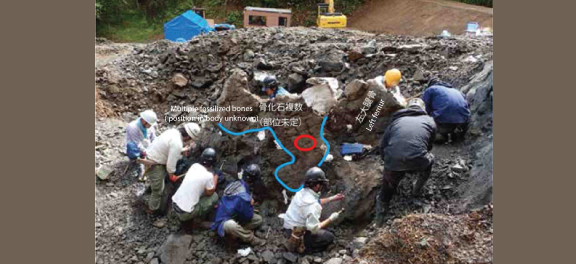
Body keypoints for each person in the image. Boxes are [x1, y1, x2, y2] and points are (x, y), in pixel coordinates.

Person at [376, 98, 436, 226]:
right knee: (430, 160)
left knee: (386, 189)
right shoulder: (430, 121)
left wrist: (387, 162)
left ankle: (379, 220)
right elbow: (429, 146)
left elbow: (382, 146)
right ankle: (416, 189)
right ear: (422, 109)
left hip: (393, 161)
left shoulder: (396, 121)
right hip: (418, 160)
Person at [283, 167, 345, 254]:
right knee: (329, 236)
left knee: (322, 226)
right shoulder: (313, 206)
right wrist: (331, 218)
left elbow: (315, 201)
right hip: (297, 234)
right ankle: (306, 249)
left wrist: (331, 198)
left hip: (289, 227)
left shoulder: (301, 191)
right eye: (322, 184)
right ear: (317, 185)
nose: (322, 187)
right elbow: (314, 229)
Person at [144, 122, 201, 214]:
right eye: (191, 140)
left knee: (157, 182)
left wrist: (183, 150)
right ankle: (152, 210)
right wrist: (171, 175)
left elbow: (170, 148)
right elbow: (171, 165)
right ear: (188, 137)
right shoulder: (177, 143)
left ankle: (151, 189)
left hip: (153, 155)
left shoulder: (173, 132)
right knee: (158, 190)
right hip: (154, 163)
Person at [211, 164, 266, 246]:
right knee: (231, 225)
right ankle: (250, 238)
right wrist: (251, 205)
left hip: (230, 215)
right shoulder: (244, 197)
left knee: (258, 219)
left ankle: (236, 235)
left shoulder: (236, 184)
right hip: (223, 222)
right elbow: (248, 216)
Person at [172, 148, 219, 228]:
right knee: (214, 196)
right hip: (184, 213)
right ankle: (195, 221)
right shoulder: (209, 176)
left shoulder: (194, 166)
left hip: (174, 205)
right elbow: (210, 192)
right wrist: (216, 178)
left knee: (199, 191)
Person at [125, 110, 157, 179]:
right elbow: (137, 144)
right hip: (136, 148)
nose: (151, 126)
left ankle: (145, 160)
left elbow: (154, 138)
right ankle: (137, 161)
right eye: (149, 124)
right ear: (144, 121)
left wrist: (154, 148)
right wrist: (146, 153)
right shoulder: (132, 127)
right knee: (131, 146)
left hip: (147, 147)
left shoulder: (150, 126)